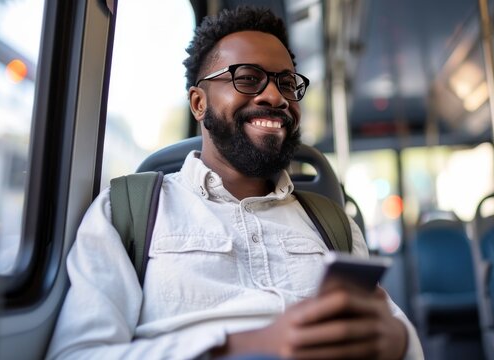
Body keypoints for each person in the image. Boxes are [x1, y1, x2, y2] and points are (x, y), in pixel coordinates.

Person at [46, 6, 423, 360]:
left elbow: (400, 335)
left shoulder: (331, 223)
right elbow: (79, 353)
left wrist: (396, 339)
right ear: (198, 103)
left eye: (287, 83)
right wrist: (240, 348)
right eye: (247, 79)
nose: (275, 96)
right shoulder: (128, 213)